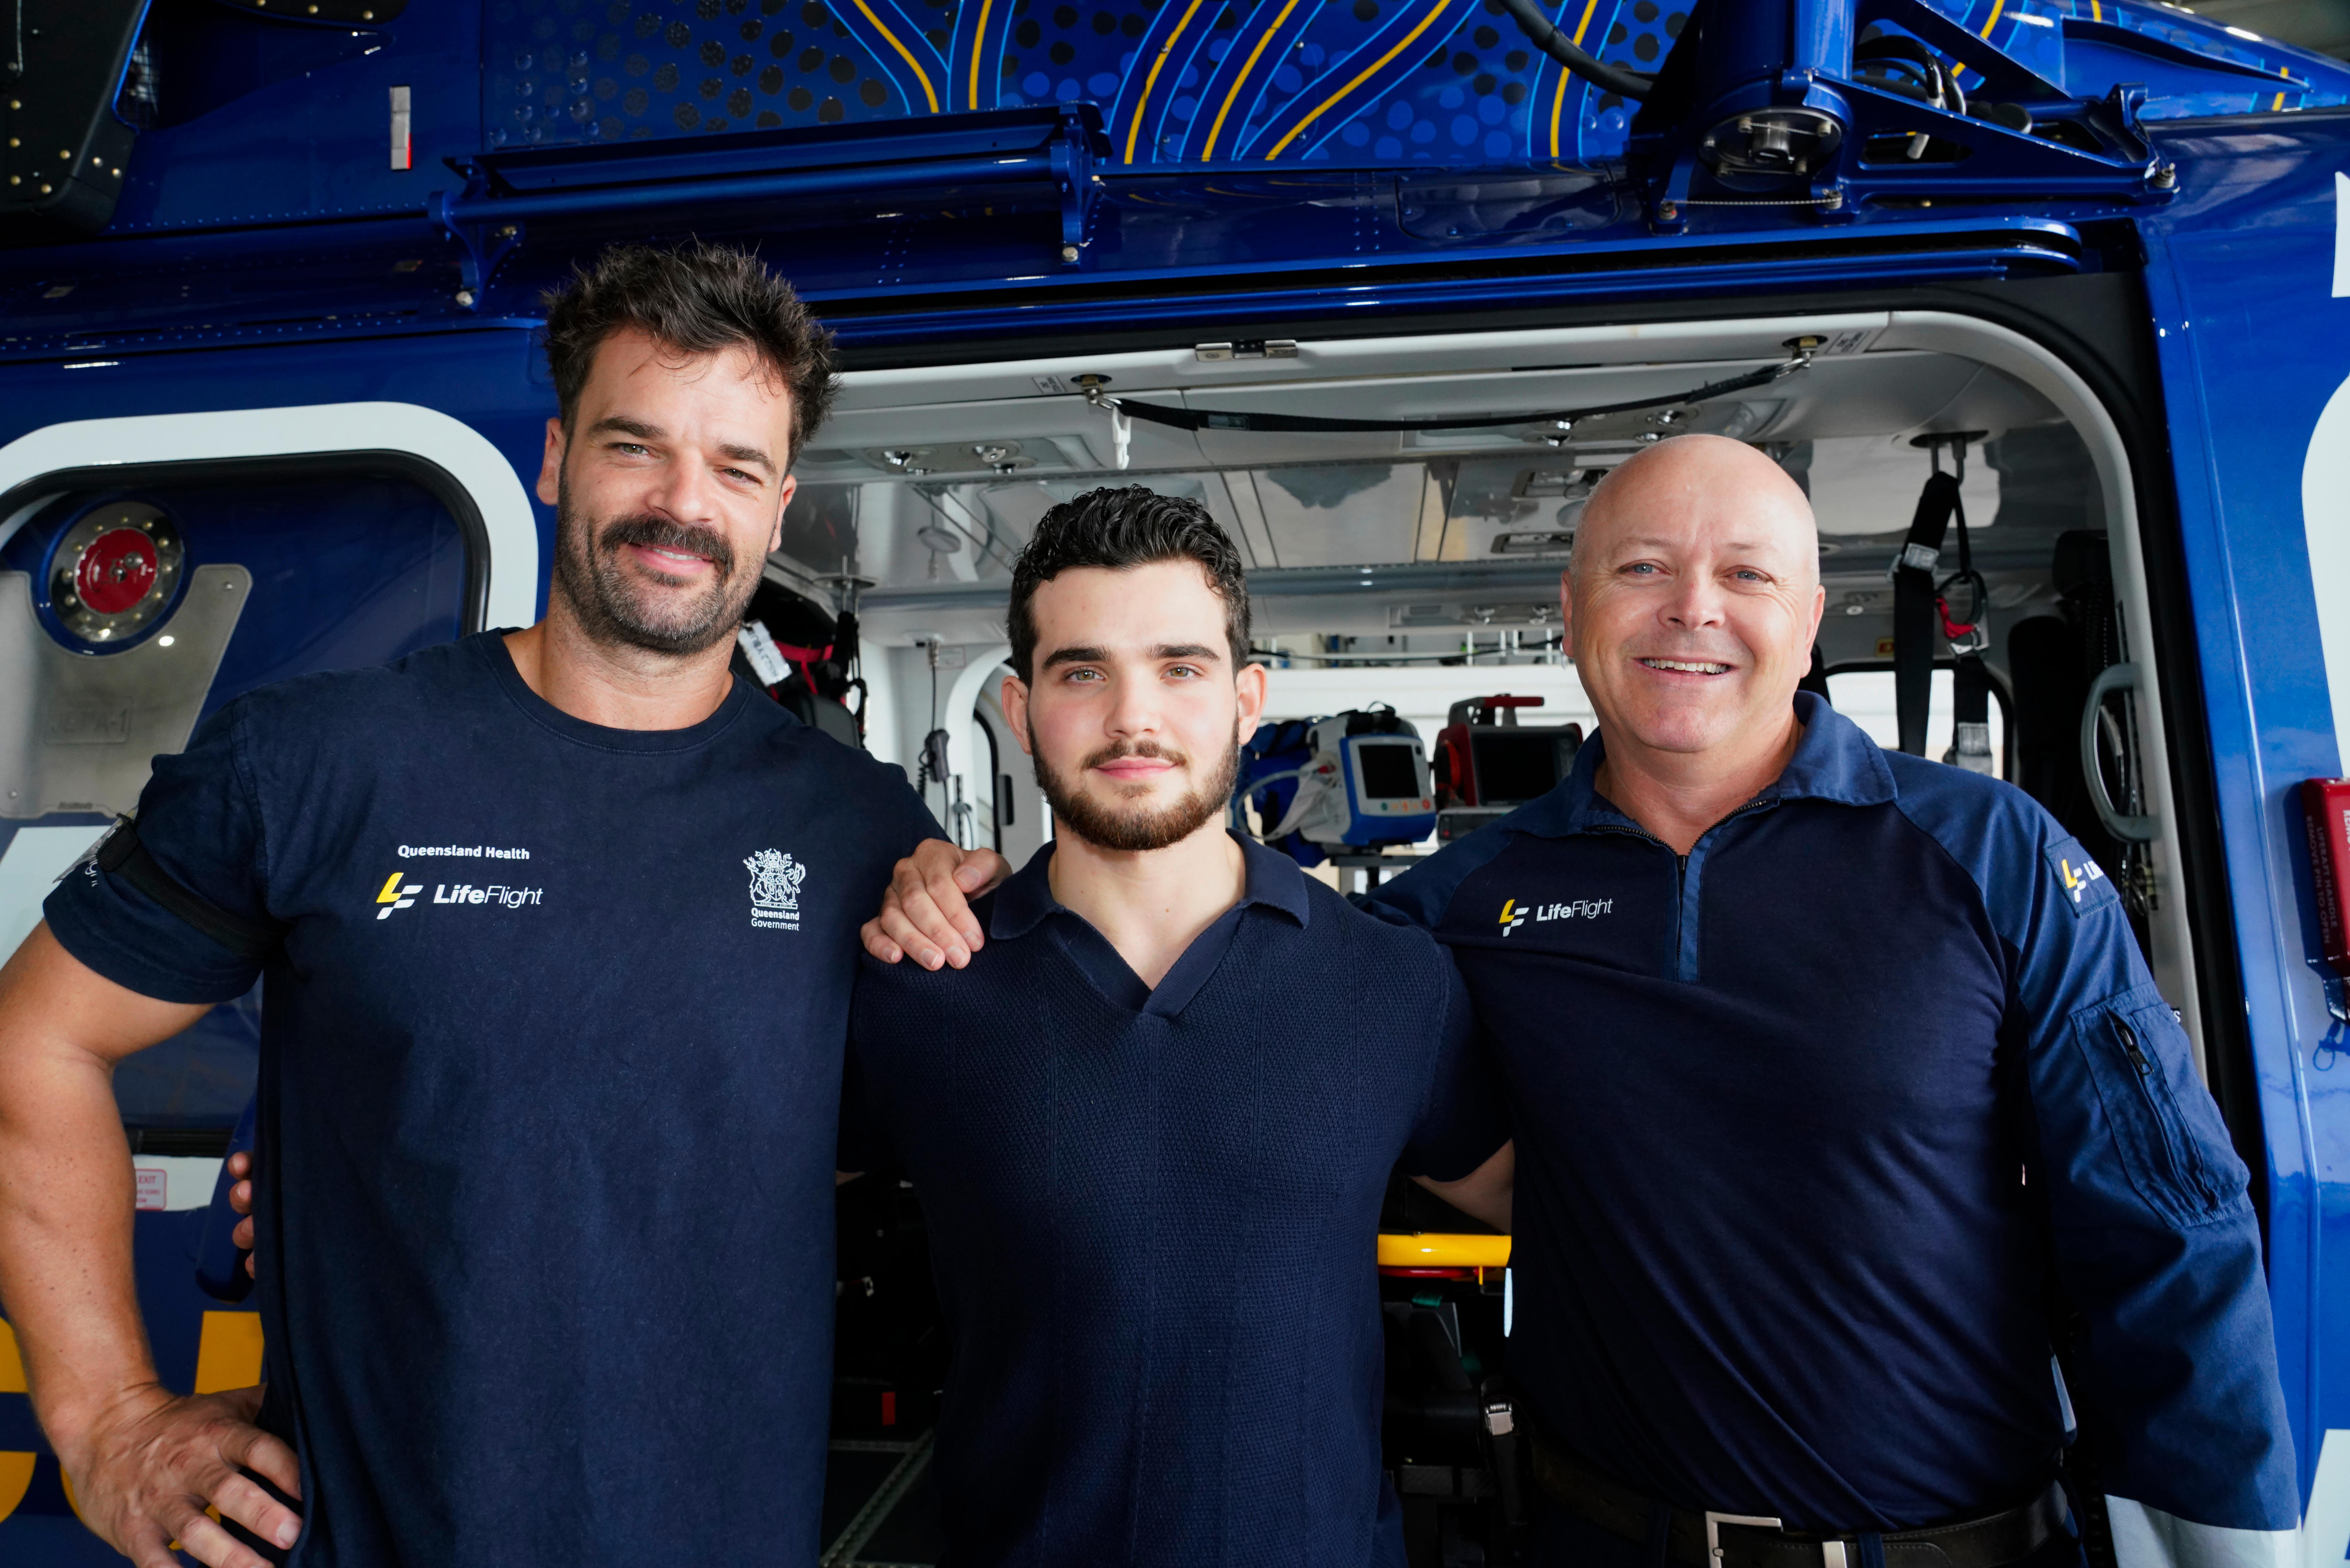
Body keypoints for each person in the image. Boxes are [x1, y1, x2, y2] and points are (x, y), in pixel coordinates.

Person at [864, 435, 2298, 1568]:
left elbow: (2167, 1221)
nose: (1694, 611)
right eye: (1642, 572)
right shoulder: (1448, 920)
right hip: (1606, 1542)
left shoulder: (1989, 859)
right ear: (1571, 614)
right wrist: (946, 879)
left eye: (1746, 575)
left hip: (1960, 1547)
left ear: (1813, 617)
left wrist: (2229, 1548)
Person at [0, 242, 939, 1568]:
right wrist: (103, 1417)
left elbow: (807, 1126)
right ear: (556, 459)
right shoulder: (320, 762)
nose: (684, 503)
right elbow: (31, 1039)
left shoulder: (862, 830)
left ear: (781, 509)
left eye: (734, 467)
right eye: (636, 446)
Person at [838, 486, 1511, 1565]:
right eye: (1081, 671)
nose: (1131, 717)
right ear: (1017, 710)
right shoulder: (921, 982)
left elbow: (1559, 1212)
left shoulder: (1394, 986)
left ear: (1246, 697)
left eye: (1179, 667)